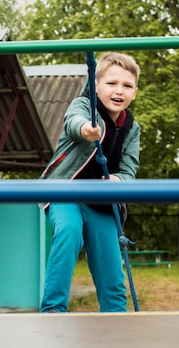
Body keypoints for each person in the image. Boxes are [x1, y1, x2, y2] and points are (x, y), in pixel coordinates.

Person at [39, 52, 141, 313]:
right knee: (69, 232)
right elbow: (72, 122)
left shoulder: (132, 128)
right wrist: (86, 129)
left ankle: (115, 319)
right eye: (111, 83)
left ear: (135, 92)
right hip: (66, 193)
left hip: (102, 203)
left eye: (127, 86)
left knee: (112, 272)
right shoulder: (84, 106)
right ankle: (52, 311)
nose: (119, 91)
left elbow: (129, 168)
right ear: (96, 85)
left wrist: (118, 179)